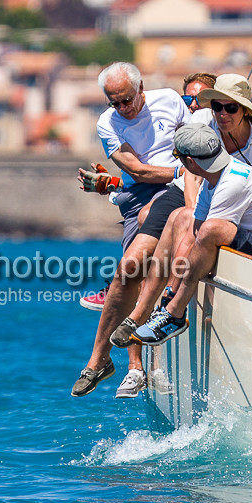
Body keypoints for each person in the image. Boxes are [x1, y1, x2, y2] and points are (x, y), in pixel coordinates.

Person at [71, 62, 190, 400]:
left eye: (127, 100)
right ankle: (104, 361)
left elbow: (199, 143)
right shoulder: (107, 123)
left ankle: (138, 365)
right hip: (140, 196)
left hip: (180, 190)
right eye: (114, 103)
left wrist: (188, 174)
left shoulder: (168, 100)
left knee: (142, 263)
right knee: (128, 270)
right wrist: (181, 171)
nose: (123, 108)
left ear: (141, 89)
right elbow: (137, 170)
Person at [133, 124, 252, 345]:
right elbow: (193, 234)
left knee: (213, 229)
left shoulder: (232, 183)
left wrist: (179, 284)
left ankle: (175, 314)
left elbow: (208, 233)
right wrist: (172, 286)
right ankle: (170, 306)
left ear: (189, 163)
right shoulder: (214, 179)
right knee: (193, 223)